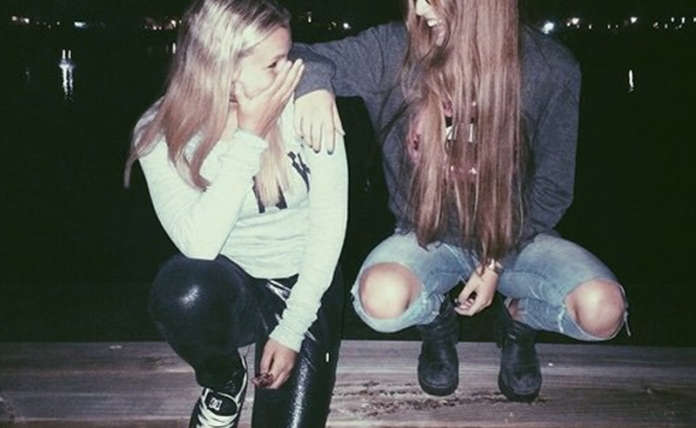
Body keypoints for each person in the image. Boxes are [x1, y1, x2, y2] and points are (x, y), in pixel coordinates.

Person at [292, 0, 628, 402]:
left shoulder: (549, 67)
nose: (419, 8)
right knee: (380, 299)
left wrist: (495, 261)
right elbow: (293, 54)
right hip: (426, 237)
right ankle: (437, 318)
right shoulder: (393, 50)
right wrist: (313, 85)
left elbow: (553, 188)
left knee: (602, 311)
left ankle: (519, 319)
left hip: (518, 238)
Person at [123, 0, 348, 426]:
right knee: (180, 291)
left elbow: (329, 227)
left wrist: (292, 328)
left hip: (304, 281)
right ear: (223, 70)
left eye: (287, 56)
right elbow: (199, 246)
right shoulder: (159, 133)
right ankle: (224, 380)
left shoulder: (308, 107)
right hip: (231, 285)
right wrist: (249, 137)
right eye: (274, 64)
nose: (290, 72)